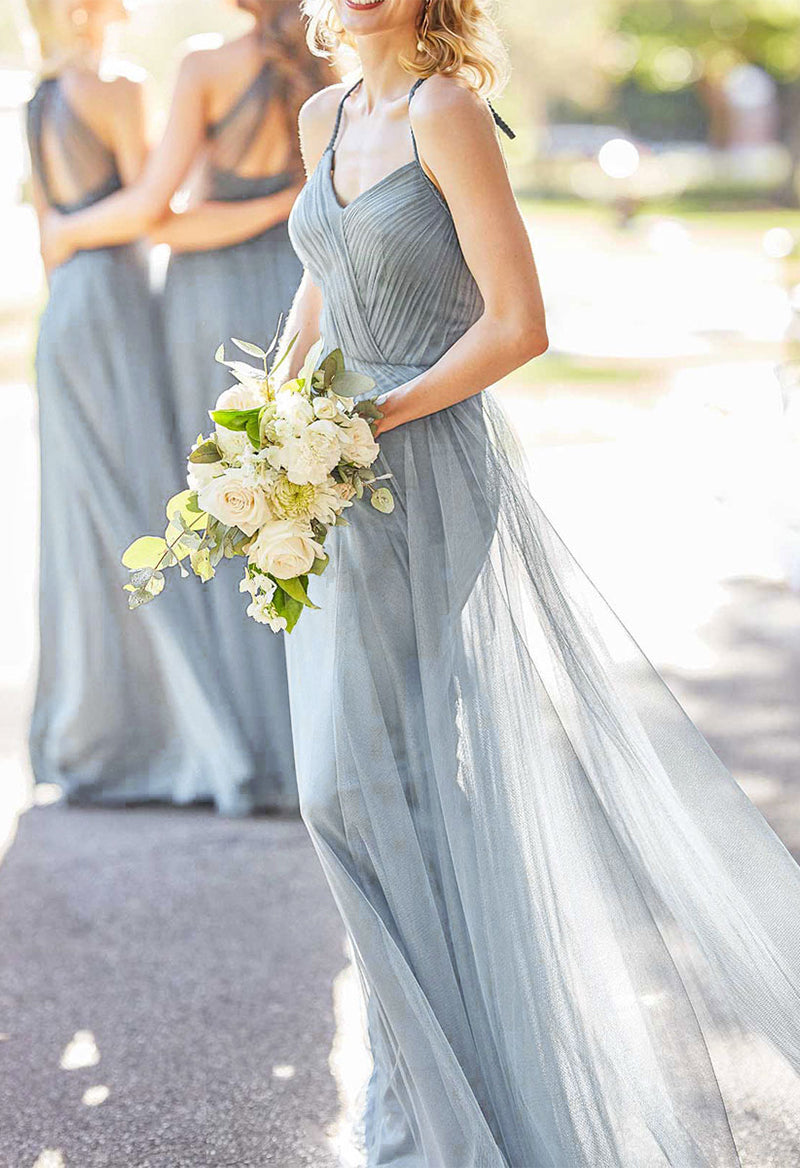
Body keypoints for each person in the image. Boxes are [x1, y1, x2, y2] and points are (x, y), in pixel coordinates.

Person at [281, 0, 800, 1163]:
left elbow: (519, 324)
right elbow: (316, 288)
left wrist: (373, 417)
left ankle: (437, 1106)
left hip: (420, 466)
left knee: (359, 784)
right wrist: (266, 425)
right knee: (367, 786)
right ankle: (427, 1086)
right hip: (317, 477)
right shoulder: (323, 111)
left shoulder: (447, 113)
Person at [38, 0, 330, 814]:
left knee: (228, 514)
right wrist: (290, 203)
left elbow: (160, 217)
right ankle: (315, 737)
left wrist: (65, 231)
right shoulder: (330, 62)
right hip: (303, 289)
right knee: (304, 509)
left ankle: (245, 736)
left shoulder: (206, 64)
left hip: (209, 305)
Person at [25, 0, 239, 810]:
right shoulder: (116, 84)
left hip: (66, 316)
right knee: (140, 514)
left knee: (85, 523)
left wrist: (71, 239)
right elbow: (150, 205)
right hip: (112, 297)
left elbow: (51, 232)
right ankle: (181, 733)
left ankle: (90, 731)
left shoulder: (37, 98)